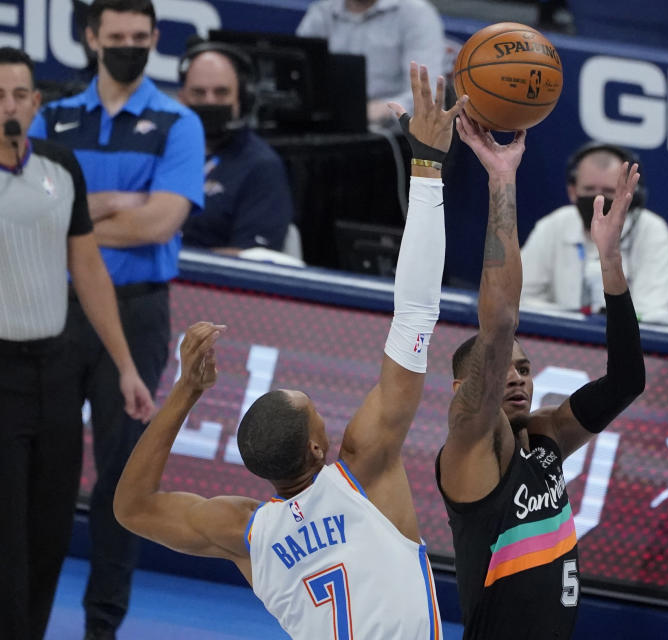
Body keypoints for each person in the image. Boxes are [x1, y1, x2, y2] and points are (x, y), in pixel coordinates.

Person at [113, 63, 466, 639]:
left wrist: (183, 393)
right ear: (318, 444)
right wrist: (427, 166)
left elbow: (131, 508)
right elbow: (417, 312)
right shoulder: (366, 468)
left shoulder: (245, 532)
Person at [27, 1, 205, 637]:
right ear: (91, 39)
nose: (129, 45)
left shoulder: (177, 122)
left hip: (138, 315)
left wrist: (73, 216)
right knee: (37, 473)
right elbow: (25, 212)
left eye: (140, 37)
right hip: (49, 310)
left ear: (155, 39)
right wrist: (114, 203)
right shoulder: (51, 115)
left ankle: (102, 624)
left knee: (122, 479)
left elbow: (160, 221)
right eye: (117, 36)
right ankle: (24, 616)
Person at [436, 118, 647, 638]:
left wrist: (610, 260)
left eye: (525, 370)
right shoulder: (468, 446)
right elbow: (501, 319)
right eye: (503, 368)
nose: (516, 378)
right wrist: (501, 180)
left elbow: (626, 383)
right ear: (465, 390)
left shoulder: (545, 437)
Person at [0, 46, 154, 640]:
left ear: (37, 105)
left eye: (19, 95)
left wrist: (125, 367)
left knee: (50, 531)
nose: (9, 107)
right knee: (7, 540)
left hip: (57, 371)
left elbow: (88, 271)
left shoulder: (61, 168)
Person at [520, 141, 668, 324]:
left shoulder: (651, 230)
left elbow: (654, 314)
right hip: (563, 345)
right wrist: (577, 318)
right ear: (572, 192)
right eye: (589, 190)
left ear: (629, 195)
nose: (598, 200)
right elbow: (516, 298)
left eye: (609, 191)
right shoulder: (554, 225)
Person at [177, 39, 296, 255]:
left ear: (242, 100)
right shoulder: (158, 150)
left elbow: (251, 258)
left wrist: (173, 260)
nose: (210, 102)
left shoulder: (261, 167)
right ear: (182, 99)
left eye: (221, 93)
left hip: (208, 285)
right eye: (199, 93)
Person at [296, 0, 446, 125]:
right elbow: (299, 73)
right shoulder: (322, 12)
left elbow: (427, 96)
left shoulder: (416, 14)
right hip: (329, 123)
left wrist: (383, 110)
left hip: (393, 139)